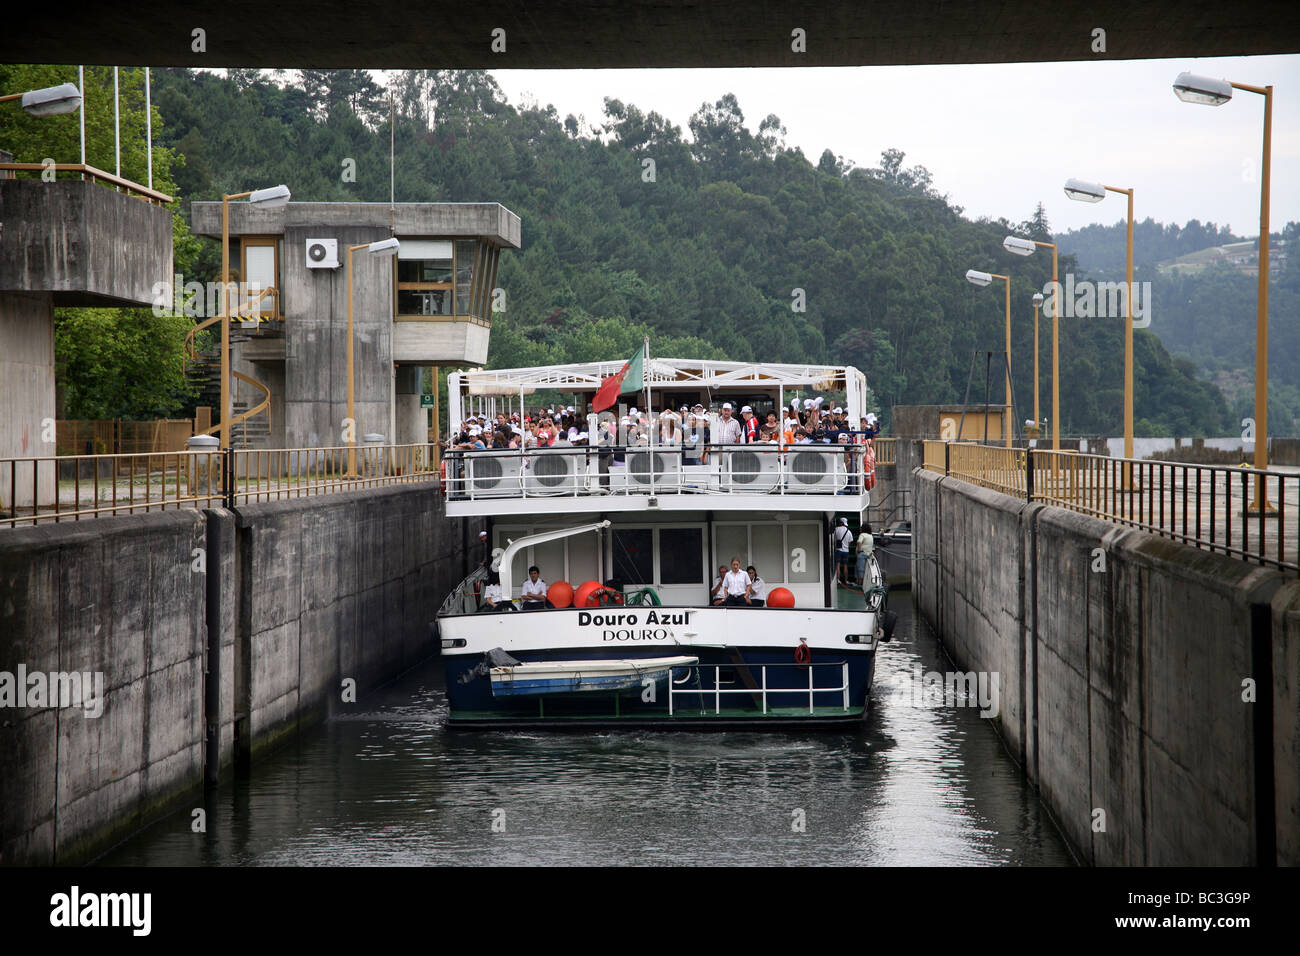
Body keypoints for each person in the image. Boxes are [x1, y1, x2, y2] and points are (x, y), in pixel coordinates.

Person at [833, 516, 853, 586]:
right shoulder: (849, 532)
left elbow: (833, 539)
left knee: (838, 565)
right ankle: (846, 580)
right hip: (846, 551)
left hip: (838, 550)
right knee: (845, 566)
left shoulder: (836, 529)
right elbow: (849, 543)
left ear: (840, 522)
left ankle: (838, 580)